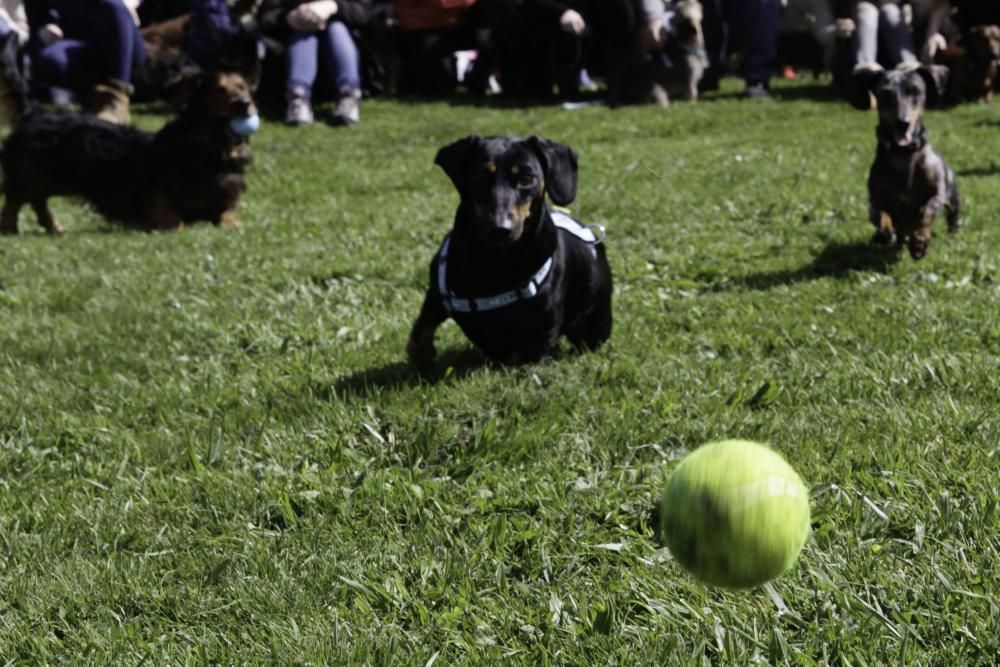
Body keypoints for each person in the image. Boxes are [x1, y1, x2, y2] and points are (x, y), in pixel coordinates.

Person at [25, 0, 147, 124]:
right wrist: (43, 30)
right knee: (50, 59)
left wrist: (129, 5)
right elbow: (37, 21)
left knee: (114, 5)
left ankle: (116, 100)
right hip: (76, 44)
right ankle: (94, 99)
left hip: (119, 39)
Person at [259, 0, 372, 125]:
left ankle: (349, 94)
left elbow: (364, 13)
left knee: (337, 28)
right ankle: (298, 97)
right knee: (303, 31)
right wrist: (287, 18)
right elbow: (266, 17)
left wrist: (333, 6)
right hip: (293, 54)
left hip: (340, 54)